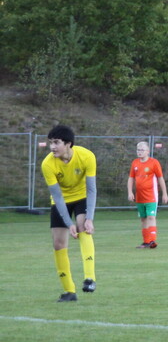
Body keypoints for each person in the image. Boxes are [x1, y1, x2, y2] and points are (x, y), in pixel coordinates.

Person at [40, 125, 98, 302]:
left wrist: (90, 218)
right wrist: (68, 223)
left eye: (56, 143)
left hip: (82, 197)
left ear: (68, 144)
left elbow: (91, 190)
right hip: (61, 201)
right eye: (51, 143)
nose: (52, 147)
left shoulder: (87, 156)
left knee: (83, 227)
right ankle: (69, 292)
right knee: (58, 243)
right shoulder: (47, 164)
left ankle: (90, 278)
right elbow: (57, 197)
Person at [128, 140, 168, 248]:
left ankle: (152, 241)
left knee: (151, 217)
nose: (139, 152)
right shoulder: (135, 163)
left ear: (148, 151)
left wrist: (164, 193)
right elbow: (131, 178)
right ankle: (146, 242)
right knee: (143, 218)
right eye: (138, 150)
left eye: (142, 150)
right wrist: (130, 192)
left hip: (151, 196)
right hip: (139, 197)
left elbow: (160, 178)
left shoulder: (154, 163)